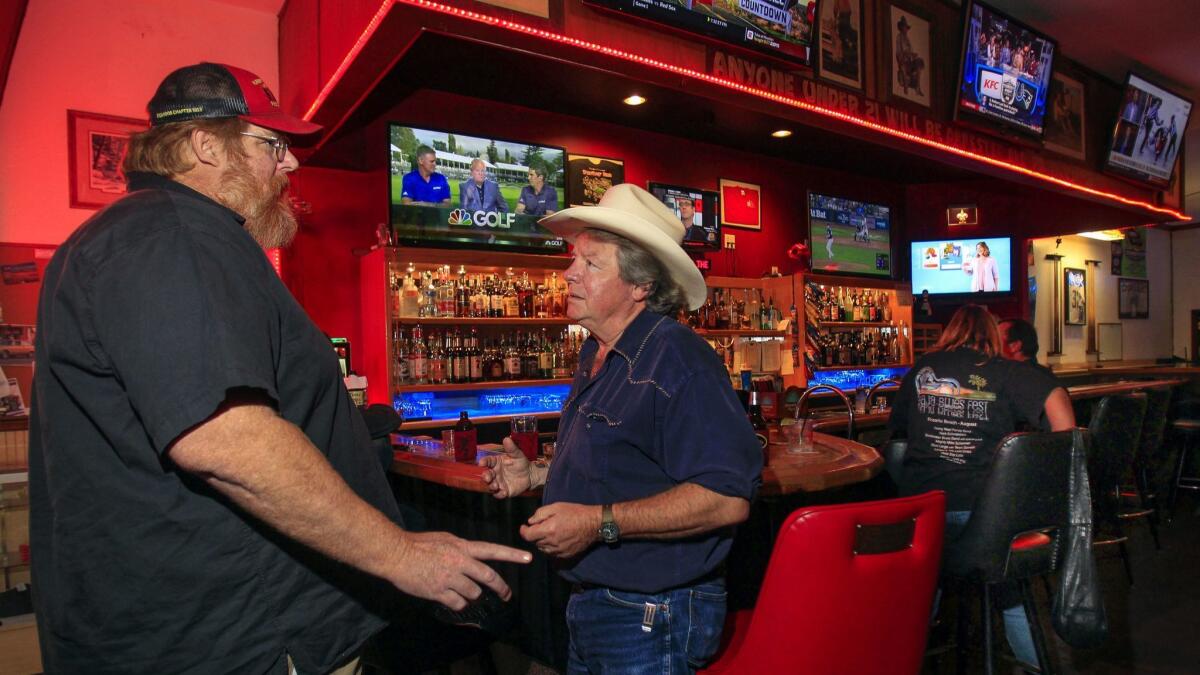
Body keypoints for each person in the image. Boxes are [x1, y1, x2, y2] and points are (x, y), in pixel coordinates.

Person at [28, 62, 530, 674]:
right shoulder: (175, 234)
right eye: (272, 145)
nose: (289, 165)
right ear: (204, 145)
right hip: (233, 637)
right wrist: (401, 554)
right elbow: (224, 438)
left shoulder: (151, 234)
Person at [479, 183, 762, 674]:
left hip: (652, 616)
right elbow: (627, 464)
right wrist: (538, 476)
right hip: (601, 607)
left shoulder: (679, 358)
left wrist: (596, 523)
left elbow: (727, 498)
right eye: (574, 260)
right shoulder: (599, 351)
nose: (568, 274)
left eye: (591, 263)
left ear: (640, 286)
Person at [888, 304, 1074, 672]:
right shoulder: (1007, 372)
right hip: (986, 517)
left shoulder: (921, 371)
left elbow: (898, 433)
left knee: (925, 587)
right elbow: (1058, 402)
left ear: (950, 331)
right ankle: (1032, 667)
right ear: (991, 335)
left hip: (925, 517)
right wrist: (1056, 450)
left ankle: (905, 660)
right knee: (1009, 591)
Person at [895, 15, 925, 97]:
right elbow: (900, 52)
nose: (905, 29)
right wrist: (908, 54)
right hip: (903, 61)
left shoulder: (908, 39)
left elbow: (910, 51)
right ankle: (905, 86)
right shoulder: (899, 37)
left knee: (919, 62)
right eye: (904, 27)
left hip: (909, 61)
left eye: (906, 28)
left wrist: (913, 55)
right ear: (901, 28)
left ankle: (917, 87)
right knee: (903, 66)